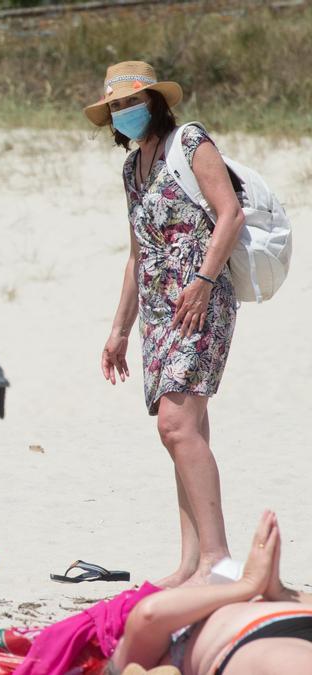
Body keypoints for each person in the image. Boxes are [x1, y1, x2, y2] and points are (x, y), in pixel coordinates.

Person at [89, 61, 244, 587]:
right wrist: (118, 330)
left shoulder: (190, 141)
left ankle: (218, 559)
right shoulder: (132, 169)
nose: (123, 112)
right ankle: (192, 559)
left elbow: (229, 213)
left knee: (175, 426)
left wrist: (202, 279)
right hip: (158, 312)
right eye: (115, 106)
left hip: (201, 297)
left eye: (131, 102)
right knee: (187, 430)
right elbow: (138, 255)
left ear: (155, 100)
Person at [109, 510, 312, 674]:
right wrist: (255, 587)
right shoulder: (138, 657)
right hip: (257, 638)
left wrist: (260, 587)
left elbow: (149, 615)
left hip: (255, 640)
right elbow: (149, 614)